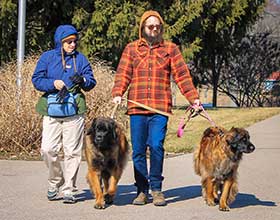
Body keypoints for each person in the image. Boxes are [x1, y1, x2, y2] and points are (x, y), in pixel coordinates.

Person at [112, 10, 201, 206]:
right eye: (150, 26)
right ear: (142, 28)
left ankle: (156, 189)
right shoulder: (131, 49)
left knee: (156, 146)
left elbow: (182, 76)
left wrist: (193, 99)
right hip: (137, 107)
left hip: (160, 108)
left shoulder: (170, 49)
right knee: (138, 150)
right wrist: (118, 93)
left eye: (157, 26)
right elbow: (123, 74)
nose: (154, 29)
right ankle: (142, 190)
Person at [32, 24, 96, 204]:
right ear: (60, 42)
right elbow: (36, 80)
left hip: (74, 110)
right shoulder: (47, 58)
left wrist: (82, 80)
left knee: (72, 151)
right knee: (48, 149)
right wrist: (54, 84)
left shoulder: (81, 59)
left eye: (75, 41)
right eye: (68, 41)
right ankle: (55, 181)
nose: (72, 45)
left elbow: (91, 82)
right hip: (52, 109)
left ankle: (69, 189)